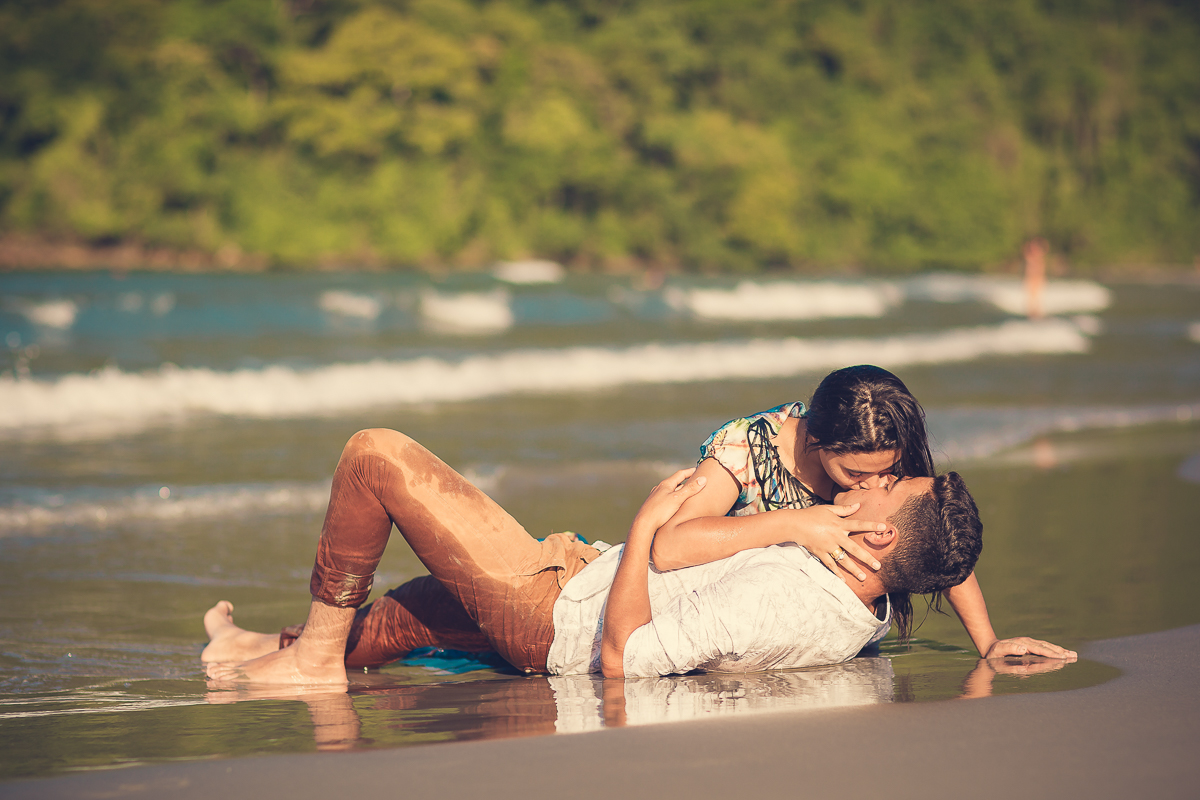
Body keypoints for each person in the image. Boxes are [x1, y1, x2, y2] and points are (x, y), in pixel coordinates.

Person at [202, 428, 984, 684]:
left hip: (554, 617)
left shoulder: (793, 600)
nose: (879, 480)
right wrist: (988, 642)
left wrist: (646, 525)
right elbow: (936, 550)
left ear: (881, 536)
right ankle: (256, 656)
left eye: (890, 486)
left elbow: (627, 660)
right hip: (573, 583)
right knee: (414, 612)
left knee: (375, 456)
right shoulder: (866, 590)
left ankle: (308, 662)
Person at [651, 365, 1074, 658]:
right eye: (854, 472)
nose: (872, 484)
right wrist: (793, 523)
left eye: (888, 473)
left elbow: (935, 534)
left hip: (837, 642)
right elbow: (668, 546)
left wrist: (987, 643)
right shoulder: (746, 448)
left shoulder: (880, 450)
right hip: (727, 640)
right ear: (814, 439)